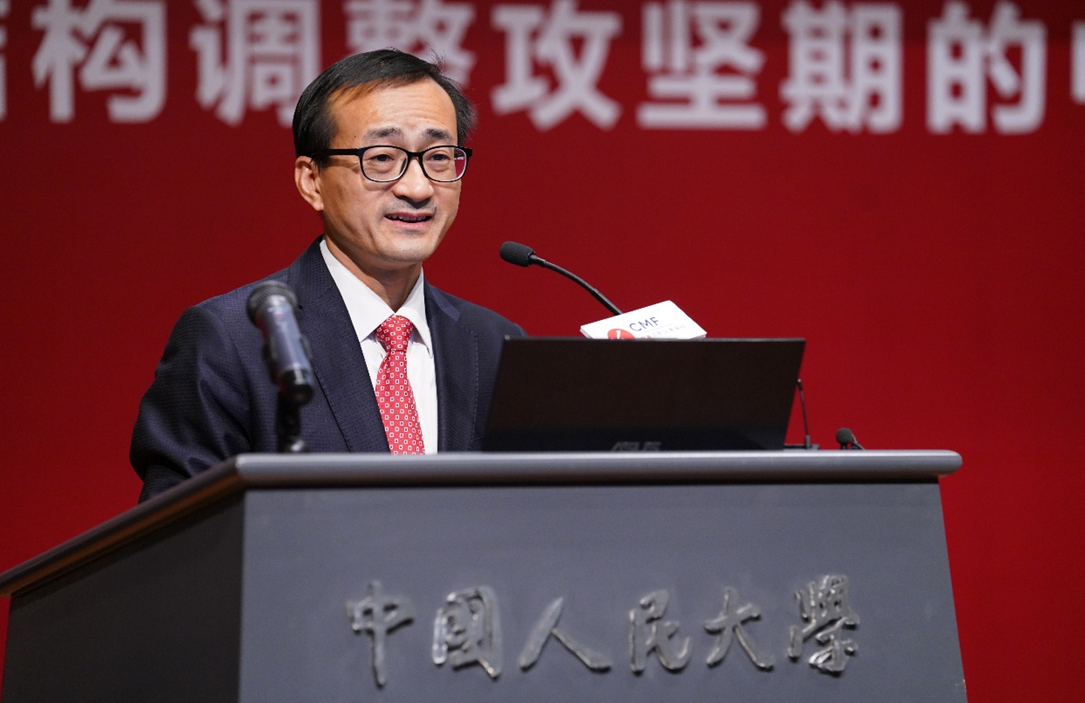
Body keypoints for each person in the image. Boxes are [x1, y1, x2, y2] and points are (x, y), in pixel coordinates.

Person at [130, 50, 525, 501]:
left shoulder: (496, 344)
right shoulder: (232, 340)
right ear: (311, 181)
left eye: (437, 157)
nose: (417, 188)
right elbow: (184, 531)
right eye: (382, 157)